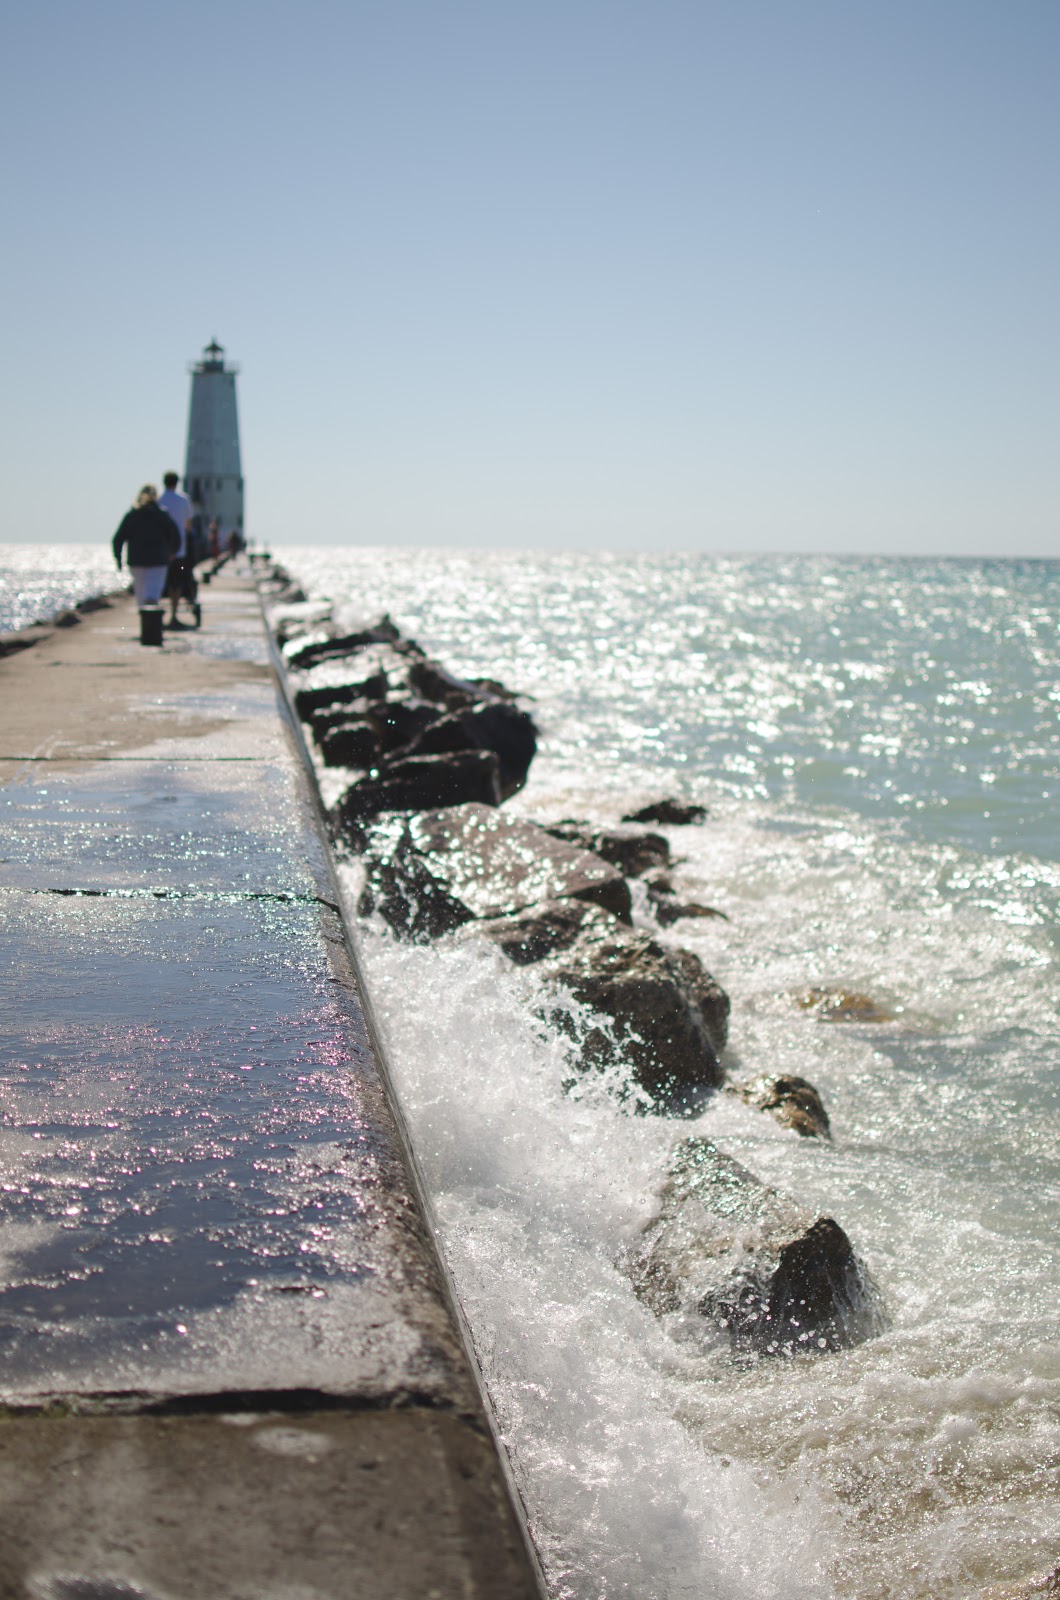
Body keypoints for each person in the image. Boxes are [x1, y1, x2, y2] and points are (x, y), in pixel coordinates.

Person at [112, 484, 179, 610]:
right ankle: (151, 617)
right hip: (158, 561)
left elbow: (118, 539)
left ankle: (145, 619)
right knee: (153, 594)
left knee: (141, 597)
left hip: (137, 561)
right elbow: (175, 536)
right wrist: (172, 553)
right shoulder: (162, 515)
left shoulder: (132, 515)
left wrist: (118, 560)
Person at [157, 471, 200, 628]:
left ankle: (157, 618)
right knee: (176, 584)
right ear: (177, 482)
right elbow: (188, 525)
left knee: (160, 582)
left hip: (161, 550)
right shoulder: (183, 500)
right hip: (179, 550)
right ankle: (174, 615)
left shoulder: (158, 500)